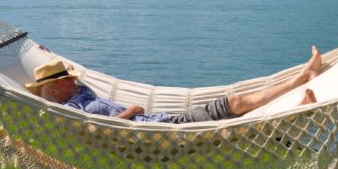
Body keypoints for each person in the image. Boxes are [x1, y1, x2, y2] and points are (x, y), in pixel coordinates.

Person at [25, 47, 322, 123]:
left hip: (163, 120)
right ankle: (299, 98)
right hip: (164, 128)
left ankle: (298, 88)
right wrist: (130, 112)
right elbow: (94, 128)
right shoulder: (73, 108)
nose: (73, 79)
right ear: (55, 89)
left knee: (235, 106)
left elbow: (72, 76)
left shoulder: (80, 91)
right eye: (66, 78)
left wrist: (44, 55)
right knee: (234, 107)